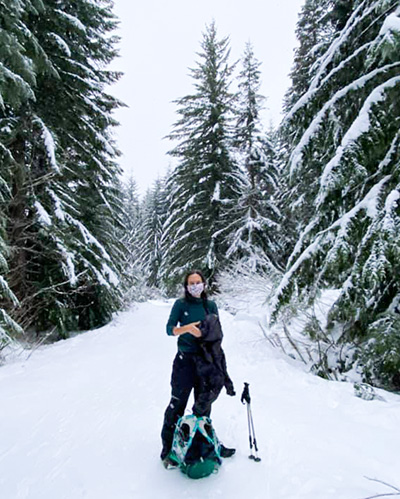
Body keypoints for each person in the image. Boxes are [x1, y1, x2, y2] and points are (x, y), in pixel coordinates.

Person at [160, 270, 235, 465]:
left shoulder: (210, 305)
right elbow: (169, 329)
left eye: (198, 282)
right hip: (184, 362)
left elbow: (217, 332)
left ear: (204, 284)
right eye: (191, 283)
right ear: (186, 286)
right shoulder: (180, 304)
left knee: (204, 406)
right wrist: (187, 329)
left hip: (205, 362)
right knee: (177, 404)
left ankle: (207, 445)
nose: (195, 286)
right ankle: (169, 448)